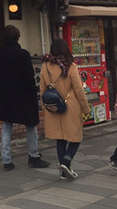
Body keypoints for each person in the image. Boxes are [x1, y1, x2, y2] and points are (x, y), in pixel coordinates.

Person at [0, 25, 50, 170]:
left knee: (6, 127)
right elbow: (29, 77)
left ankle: (7, 160)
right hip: (24, 95)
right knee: (31, 126)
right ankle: (33, 156)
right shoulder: (23, 54)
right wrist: (33, 92)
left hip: (6, 95)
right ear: (17, 37)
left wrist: (1, 84)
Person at [40, 38, 90, 180]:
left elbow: (42, 88)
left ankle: (63, 170)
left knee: (60, 139)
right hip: (70, 105)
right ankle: (66, 162)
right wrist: (86, 108)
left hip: (53, 106)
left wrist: (45, 107)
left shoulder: (45, 66)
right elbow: (78, 89)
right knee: (76, 136)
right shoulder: (71, 66)